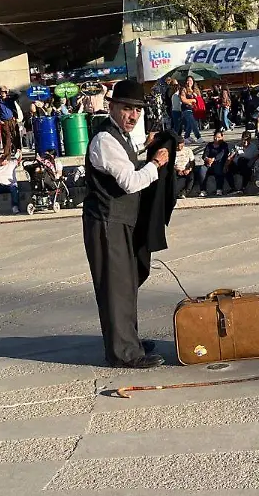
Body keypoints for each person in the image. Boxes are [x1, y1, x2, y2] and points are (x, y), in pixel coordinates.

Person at [82, 79, 170, 369]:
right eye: (127, 109)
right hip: (107, 221)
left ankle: (128, 339)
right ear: (113, 107)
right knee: (115, 286)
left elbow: (127, 165)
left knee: (126, 283)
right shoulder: (105, 140)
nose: (133, 115)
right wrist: (155, 164)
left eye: (138, 110)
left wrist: (147, 149)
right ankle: (123, 353)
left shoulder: (120, 137)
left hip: (120, 220)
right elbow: (131, 182)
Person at [201, 130, 233, 196]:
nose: (216, 139)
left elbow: (221, 155)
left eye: (218, 137)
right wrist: (207, 159)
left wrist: (213, 159)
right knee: (202, 170)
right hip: (208, 164)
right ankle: (203, 190)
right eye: (215, 137)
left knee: (219, 169)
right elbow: (204, 155)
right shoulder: (209, 145)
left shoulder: (224, 145)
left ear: (222, 137)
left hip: (219, 163)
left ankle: (219, 189)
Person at [179, 76, 203, 142]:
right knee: (193, 122)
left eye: (191, 80)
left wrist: (196, 97)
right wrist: (193, 100)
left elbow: (200, 99)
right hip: (186, 109)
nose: (190, 82)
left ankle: (186, 137)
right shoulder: (183, 89)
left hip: (195, 109)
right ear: (186, 81)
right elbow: (183, 100)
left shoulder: (196, 90)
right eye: (188, 80)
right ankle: (198, 137)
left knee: (190, 123)